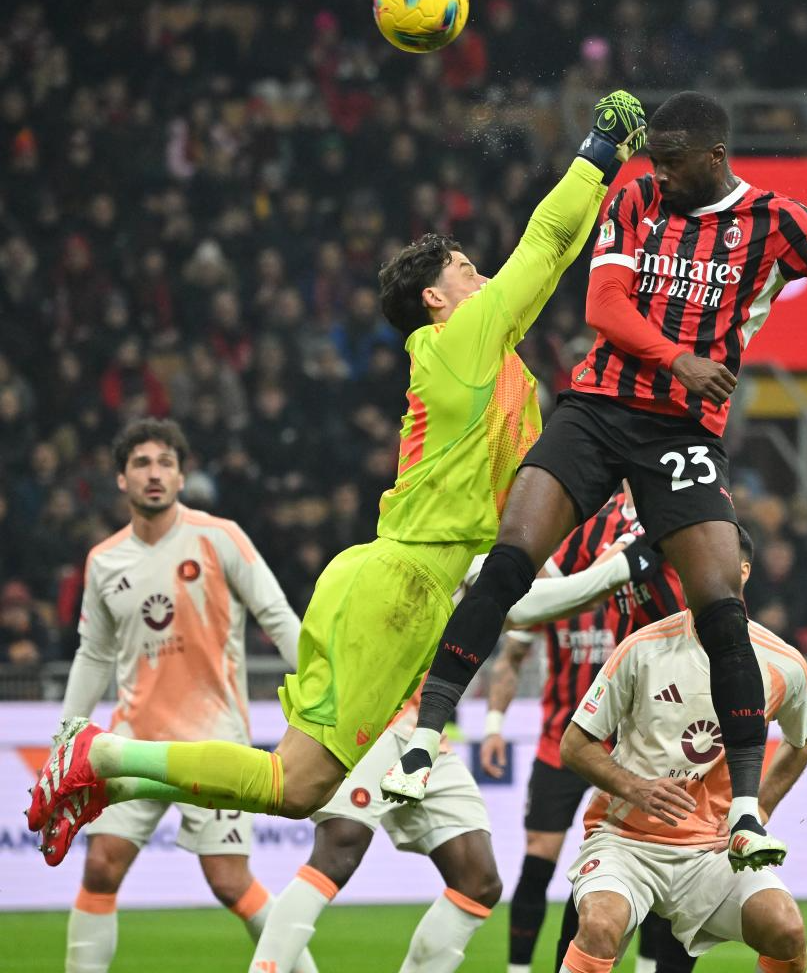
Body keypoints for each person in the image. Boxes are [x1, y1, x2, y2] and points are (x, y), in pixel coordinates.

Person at [29, 92, 650, 858]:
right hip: (400, 587)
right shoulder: (460, 341)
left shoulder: (483, 350)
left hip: (401, 587)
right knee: (293, 786)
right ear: (436, 300)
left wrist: (610, 169)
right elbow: (545, 240)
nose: (486, 276)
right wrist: (598, 150)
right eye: (468, 270)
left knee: (300, 788)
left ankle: (109, 782)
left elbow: (554, 259)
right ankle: (101, 755)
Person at [389, 90, 807, 872]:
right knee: (510, 560)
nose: (657, 174)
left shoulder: (776, 220)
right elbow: (604, 307)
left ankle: (744, 812)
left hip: (681, 434)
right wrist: (678, 359)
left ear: (713, 157)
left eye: (671, 162)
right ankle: (424, 738)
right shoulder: (635, 200)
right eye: (652, 160)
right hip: (597, 410)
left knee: (722, 609)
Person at [249, 523, 662, 973]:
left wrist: (615, 567)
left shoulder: (470, 548)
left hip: (423, 732)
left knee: (478, 881)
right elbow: (531, 605)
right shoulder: (436, 544)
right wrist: (623, 564)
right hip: (374, 719)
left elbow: (533, 601)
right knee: (340, 846)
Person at [42, 419, 318, 973]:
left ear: (182, 476)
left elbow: (277, 617)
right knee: (101, 867)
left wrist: (322, 690)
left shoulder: (220, 537)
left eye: (165, 463)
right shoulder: (104, 561)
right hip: (133, 743)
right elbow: (93, 655)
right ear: (121, 479)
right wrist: (64, 740)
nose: (154, 473)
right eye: (142, 463)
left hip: (215, 742)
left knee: (229, 879)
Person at [558, 528, 807, 973]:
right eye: (690, 560)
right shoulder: (642, 649)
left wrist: (757, 809)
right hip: (626, 841)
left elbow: (804, 738)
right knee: (599, 926)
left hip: (712, 853)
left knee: (786, 929)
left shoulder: (783, 663)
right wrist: (634, 787)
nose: (699, 569)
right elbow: (574, 744)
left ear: (743, 571)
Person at [478, 486, 690, 973]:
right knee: (540, 857)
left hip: (626, 744)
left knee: (649, 855)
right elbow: (512, 653)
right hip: (561, 741)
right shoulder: (558, 593)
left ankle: (643, 966)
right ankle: (518, 969)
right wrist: (493, 726)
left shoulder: (641, 585)